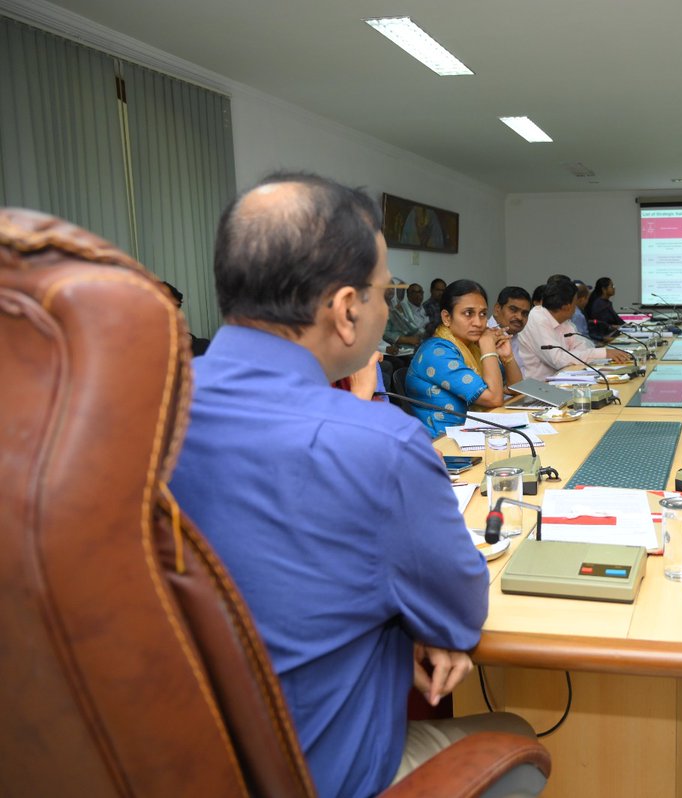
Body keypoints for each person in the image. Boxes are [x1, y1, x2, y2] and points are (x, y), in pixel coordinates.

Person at [169, 173, 534, 798]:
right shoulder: (379, 443)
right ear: (345, 311)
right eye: (384, 293)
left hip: (172, 759)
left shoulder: (142, 414)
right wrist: (415, 627)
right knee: (515, 731)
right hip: (322, 774)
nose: (388, 310)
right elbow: (459, 613)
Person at [406, 279, 524, 436]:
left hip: (475, 434)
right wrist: (488, 346)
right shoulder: (436, 352)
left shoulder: (472, 347)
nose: (478, 323)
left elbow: (517, 389)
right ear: (447, 317)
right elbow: (494, 399)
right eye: (468, 313)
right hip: (443, 444)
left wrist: (507, 357)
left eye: (483, 314)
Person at [518, 277, 630, 380]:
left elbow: (585, 346)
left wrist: (572, 355)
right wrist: (603, 353)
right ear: (567, 306)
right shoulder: (537, 319)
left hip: (564, 378)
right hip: (539, 387)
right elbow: (558, 360)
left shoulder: (563, 320)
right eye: (575, 303)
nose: (576, 308)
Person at [489, 285, 533, 373]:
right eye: (513, 310)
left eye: (525, 313)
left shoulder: (517, 336)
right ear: (497, 309)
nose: (520, 317)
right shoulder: (484, 335)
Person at [384, 281, 427, 350]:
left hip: (422, 345)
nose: (418, 295)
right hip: (405, 348)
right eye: (414, 292)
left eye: (392, 288)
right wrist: (406, 339)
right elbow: (385, 333)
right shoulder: (399, 308)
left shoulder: (426, 308)